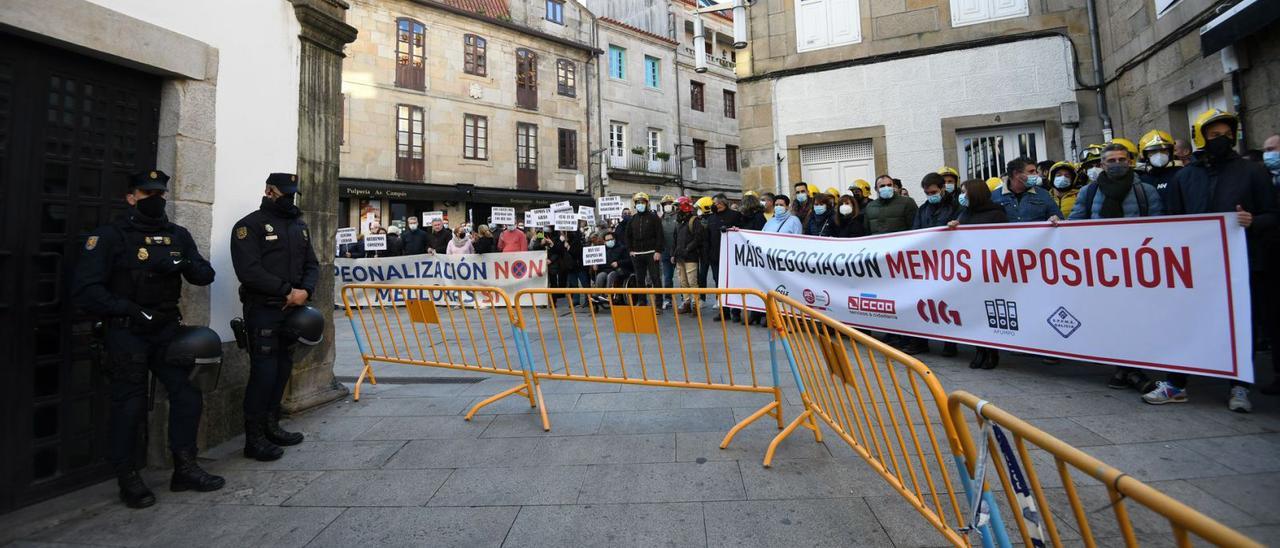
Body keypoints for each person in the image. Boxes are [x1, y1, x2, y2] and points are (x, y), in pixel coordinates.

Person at [73, 169, 223, 508]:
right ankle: (127, 476)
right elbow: (85, 291)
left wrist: (183, 262)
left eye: (159, 194)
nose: (154, 200)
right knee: (129, 405)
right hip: (127, 331)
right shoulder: (110, 236)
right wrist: (126, 308)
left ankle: (184, 467)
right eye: (146, 194)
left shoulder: (177, 234)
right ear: (131, 198)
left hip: (166, 330)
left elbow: (205, 275)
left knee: (187, 394)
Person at [1147, 109, 1278, 412]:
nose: (1222, 140)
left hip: (1241, 265)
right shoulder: (1186, 176)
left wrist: (1253, 221)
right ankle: (1176, 383)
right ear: (1201, 137)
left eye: (1226, 135)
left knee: (1239, 325)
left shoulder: (1252, 172)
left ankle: (1239, 386)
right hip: (1196, 267)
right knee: (1184, 322)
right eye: (1214, 135)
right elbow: (1173, 220)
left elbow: (1273, 215)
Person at [230, 172, 320, 462]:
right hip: (264, 310)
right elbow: (250, 271)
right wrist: (286, 291)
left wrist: (304, 291)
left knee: (282, 370)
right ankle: (253, 438)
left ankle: (272, 425)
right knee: (263, 374)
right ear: (270, 191)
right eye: (285, 193)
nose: (290, 198)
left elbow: (312, 264)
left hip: (291, 312)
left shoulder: (299, 226)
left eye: (294, 193)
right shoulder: (249, 226)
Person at [1065, 142, 1163, 390]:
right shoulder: (1089, 192)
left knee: (1135, 318)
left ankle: (1132, 369)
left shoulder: (1146, 191)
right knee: (1112, 318)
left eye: (1122, 159)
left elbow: (1161, 227)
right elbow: (1076, 222)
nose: (1117, 164)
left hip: (1136, 267)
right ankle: (1124, 368)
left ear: (1130, 161)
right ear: (1102, 164)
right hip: (1103, 268)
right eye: (1111, 161)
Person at [946, 180, 1008, 369]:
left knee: (988, 313)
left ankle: (992, 351)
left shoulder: (996, 213)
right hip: (970, 271)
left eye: (965, 192)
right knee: (974, 311)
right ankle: (979, 349)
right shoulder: (965, 213)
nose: (962, 196)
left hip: (989, 270)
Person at [705, 194, 743, 321]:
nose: (714, 205)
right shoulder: (711, 218)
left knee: (734, 284)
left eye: (715, 203)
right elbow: (708, 237)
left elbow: (741, 233)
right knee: (719, 284)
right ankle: (724, 311)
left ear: (722, 203)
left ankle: (736, 312)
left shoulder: (735, 215)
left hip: (731, 256)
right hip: (715, 256)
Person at [623, 192, 664, 310]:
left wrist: (658, 251)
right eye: (638, 202)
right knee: (639, 279)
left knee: (656, 279)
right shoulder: (633, 219)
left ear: (647, 203)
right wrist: (630, 250)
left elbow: (659, 234)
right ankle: (642, 302)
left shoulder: (653, 217)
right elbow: (628, 236)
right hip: (637, 254)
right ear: (635, 205)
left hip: (652, 253)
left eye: (642, 202)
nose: (640, 204)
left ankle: (658, 305)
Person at [991, 157, 1060, 222]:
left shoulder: (1043, 194)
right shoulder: (995, 196)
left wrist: (1055, 219)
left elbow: (1059, 219)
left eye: (1036, 171)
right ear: (1016, 173)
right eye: (1031, 171)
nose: (1036, 174)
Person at [672, 197, 701, 314]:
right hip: (679, 257)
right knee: (683, 282)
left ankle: (695, 305)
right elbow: (675, 239)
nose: (676, 209)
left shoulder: (695, 221)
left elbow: (698, 238)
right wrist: (673, 254)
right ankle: (687, 302)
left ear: (685, 206)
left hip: (690, 257)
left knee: (692, 281)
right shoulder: (679, 222)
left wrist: (687, 249)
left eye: (678, 206)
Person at [1138, 130, 1181, 203]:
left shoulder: (1181, 174)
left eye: (1163, 150)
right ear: (1145, 155)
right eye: (1153, 151)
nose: (1159, 155)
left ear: (1170, 153)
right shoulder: (1141, 180)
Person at [659, 195, 679, 309]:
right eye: (665, 204)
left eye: (669, 203)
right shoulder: (660, 219)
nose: (667, 206)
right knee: (667, 277)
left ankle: (684, 299)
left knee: (682, 278)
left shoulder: (679, 217)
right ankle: (668, 299)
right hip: (665, 251)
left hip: (678, 250)